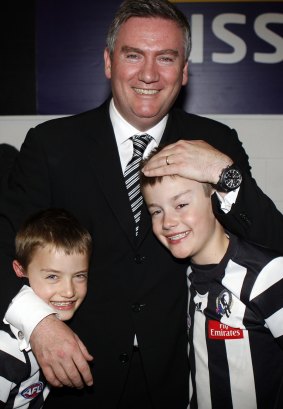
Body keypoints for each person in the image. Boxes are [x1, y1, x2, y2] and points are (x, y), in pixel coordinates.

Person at [0, 0, 283, 407]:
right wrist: (39, 323)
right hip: (74, 378)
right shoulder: (50, 144)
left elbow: (272, 244)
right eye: (134, 55)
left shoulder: (215, 141)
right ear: (109, 62)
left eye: (166, 58)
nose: (149, 74)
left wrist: (224, 172)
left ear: (184, 71)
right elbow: (3, 247)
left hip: (179, 381)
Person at [141, 147, 283, 409]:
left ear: (216, 199)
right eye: (156, 211)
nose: (168, 221)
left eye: (181, 204)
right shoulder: (187, 275)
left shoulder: (266, 275)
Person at [0, 208, 92, 408]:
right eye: (52, 276)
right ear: (20, 270)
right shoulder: (5, 350)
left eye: (79, 275)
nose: (69, 291)